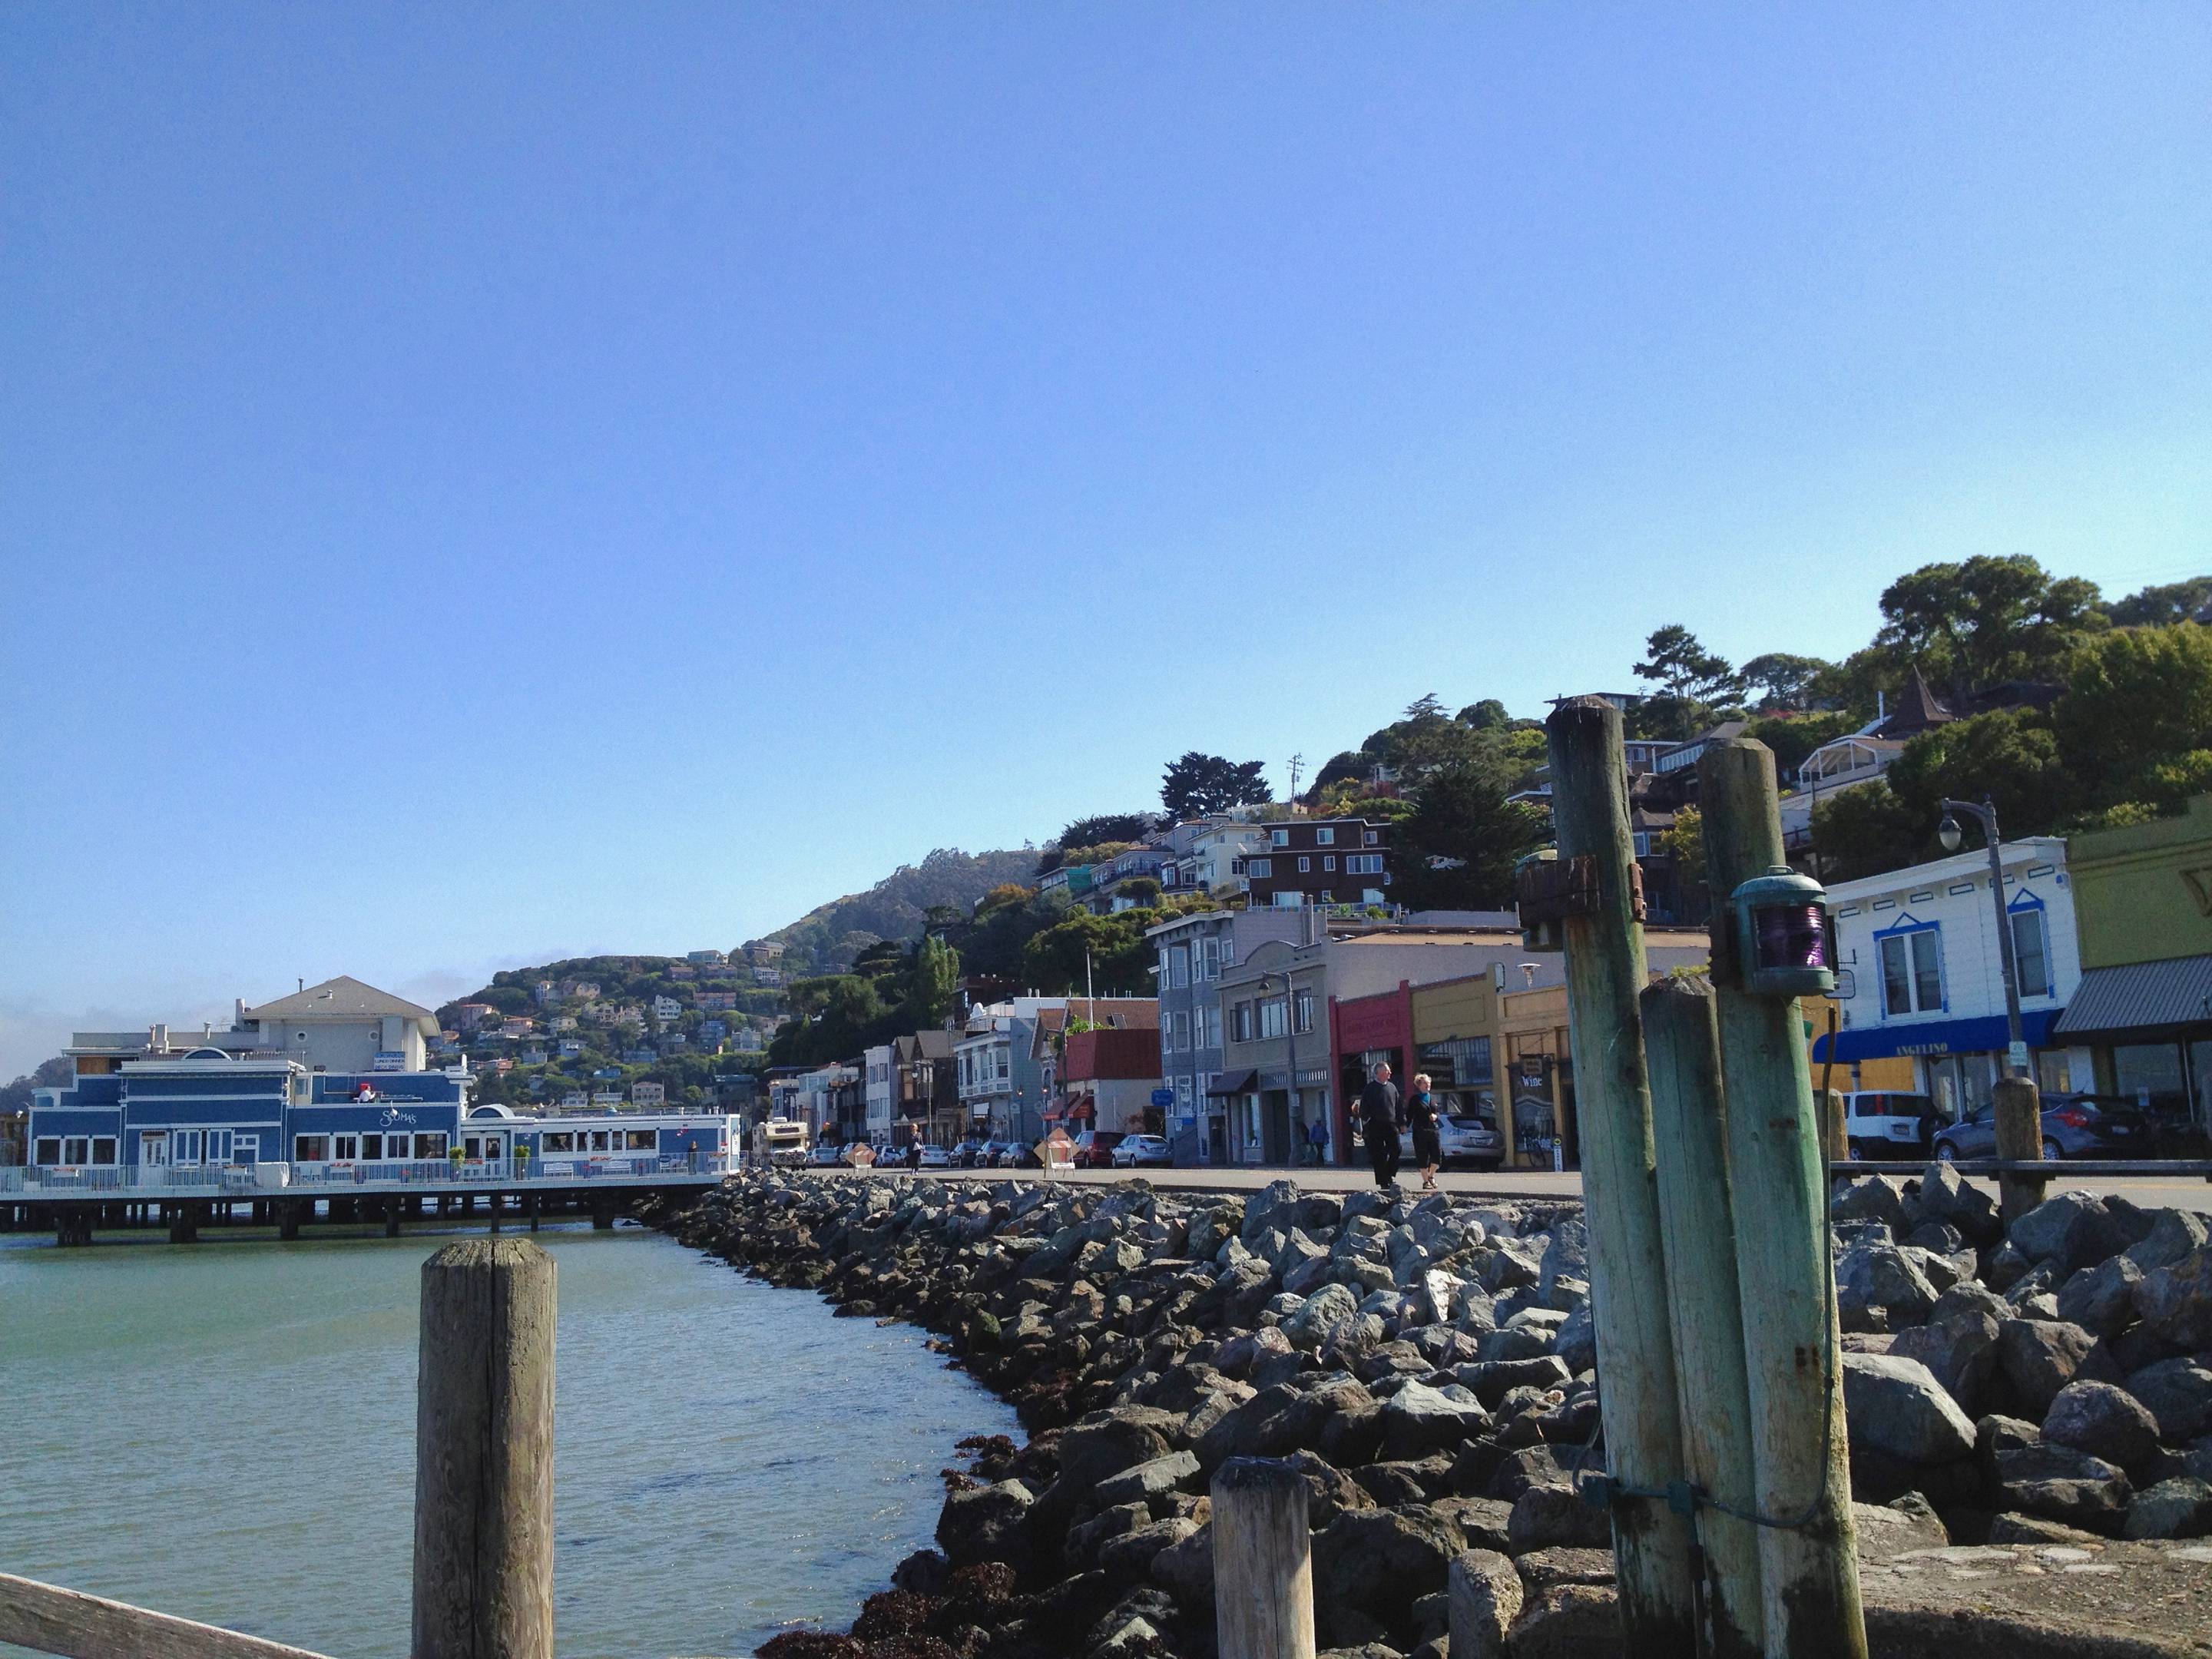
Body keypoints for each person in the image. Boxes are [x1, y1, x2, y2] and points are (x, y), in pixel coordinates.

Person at [1358, 1063, 1402, 1190]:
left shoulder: (1392, 1088)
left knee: (1396, 1149)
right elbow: (1363, 1108)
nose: (1390, 1073)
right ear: (1378, 1073)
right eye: (1387, 1071)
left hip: (1391, 1125)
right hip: (1375, 1126)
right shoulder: (1370, 1088)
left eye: (1389, 1071)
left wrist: (1402, 1123)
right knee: (1379, 1155)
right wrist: (1367, 1120)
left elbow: (1398, 1107)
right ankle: (1383, 1181)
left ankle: (1390, 1173)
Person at [1406, 1072, 1443, 1191]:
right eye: (1425, 1083)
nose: (1428, 1085)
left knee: (1437, 1156)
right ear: (1419, 1085)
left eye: (1429, 1083)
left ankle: (1431, 1176)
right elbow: (1409, 1115)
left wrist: (1435, 1116)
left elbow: (1437, 1112)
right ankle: (1425, 1181)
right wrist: (1404, 1126)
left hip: (1433, 1130)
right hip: (1420, 1131)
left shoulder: (1433, 1098)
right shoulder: (1415, 1099)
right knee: (1423, 1157)